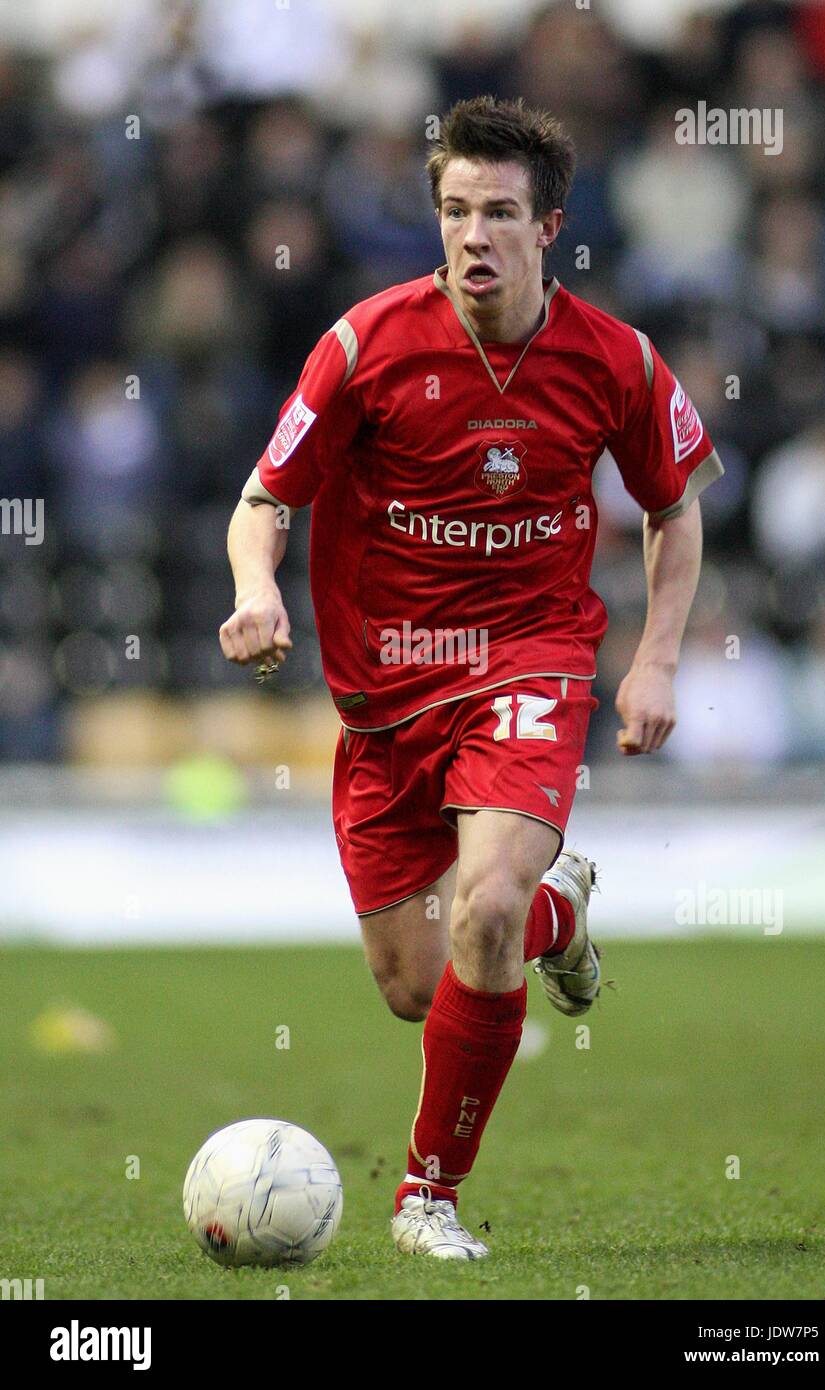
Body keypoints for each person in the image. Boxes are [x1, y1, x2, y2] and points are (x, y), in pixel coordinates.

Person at [220, 96, 723, 1260]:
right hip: (384, 700)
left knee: (482, 908)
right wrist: (255, 588)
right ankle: (563, 913)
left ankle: (424, 1196)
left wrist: (650, 658)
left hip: (530, 663)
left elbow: (673, 507)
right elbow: (264, 498)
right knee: (417, 980)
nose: (472, 237)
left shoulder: (614, 361)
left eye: (498, 213)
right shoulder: (361, 348)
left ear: (548, 226)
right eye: (453, 212)